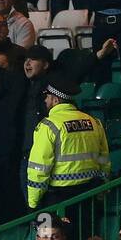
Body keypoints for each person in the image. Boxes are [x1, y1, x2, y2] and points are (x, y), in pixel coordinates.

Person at [25, 76, 110, 210]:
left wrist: (33, 203)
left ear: (55, 99)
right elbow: (104, 159)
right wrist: (102, 187)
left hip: (59, 200)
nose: (45, 101)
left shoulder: (48, 126)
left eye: (47, 97)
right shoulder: (94, 122)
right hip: (89, 195)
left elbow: (39, 168)